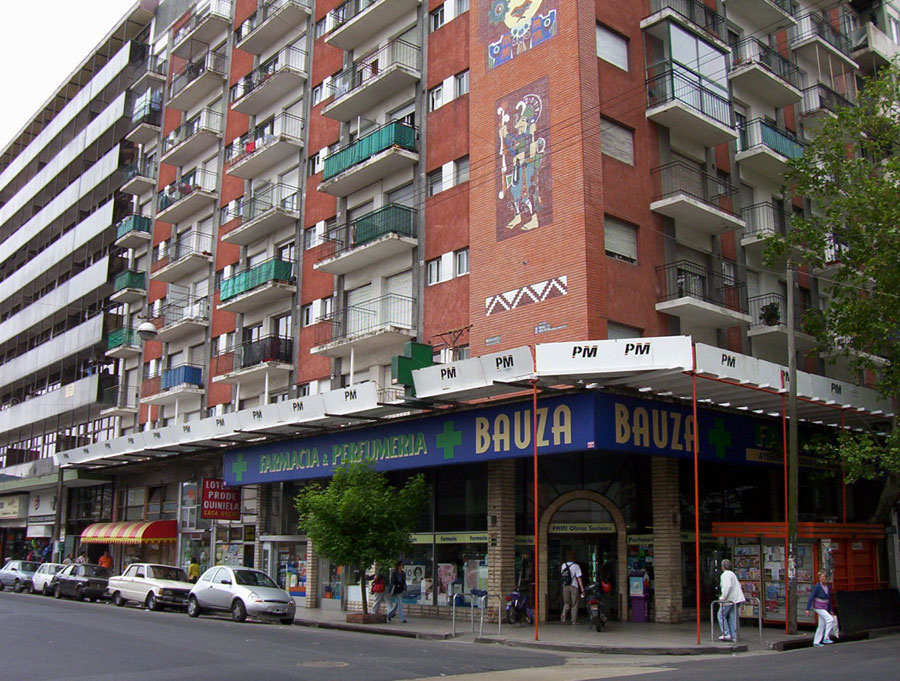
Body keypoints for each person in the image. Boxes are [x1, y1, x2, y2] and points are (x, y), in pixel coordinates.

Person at [718, 559, 746, 642]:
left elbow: (727, 587)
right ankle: (734, 635)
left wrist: (723, 597)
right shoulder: (732, 574)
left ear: (723, 567)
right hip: (737, 599)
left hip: (730, 599)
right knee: (732, 616)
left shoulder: (725, 575)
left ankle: (726, 633)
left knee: (720, 615)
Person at [806, 571, 836, 647]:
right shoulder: (817, 586)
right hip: (818, 606)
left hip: (825, 606)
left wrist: (830, 609)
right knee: (830, 619)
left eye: (824, 577)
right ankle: (826, 638)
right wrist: (807, 609)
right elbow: (811, 597)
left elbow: (829, 599)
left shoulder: (828, 587)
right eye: (821, 577)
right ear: (819, 578)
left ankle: (816, 642)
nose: (823, 578)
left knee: (821, 625)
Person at [560, 551, 584, 625]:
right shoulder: (576, 566)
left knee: (566, 602)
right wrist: (582, 588)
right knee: (574, 603)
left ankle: (563, 616)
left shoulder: (563, 565)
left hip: (565, 586)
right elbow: (578, 577)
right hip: (574, 585)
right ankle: (574, 620)